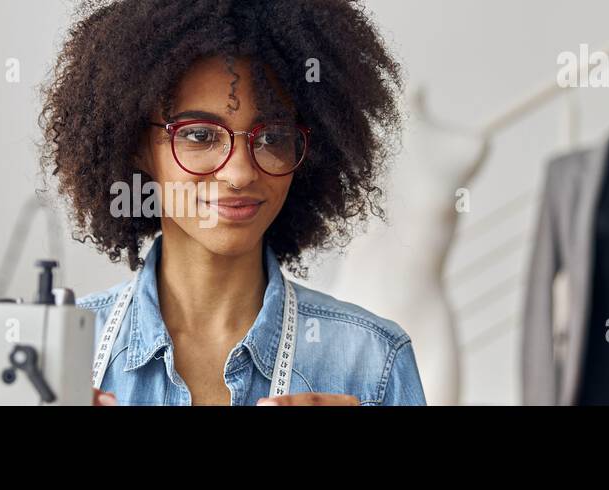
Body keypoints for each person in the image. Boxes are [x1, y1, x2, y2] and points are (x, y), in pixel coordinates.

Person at [41, 0, 425, 406]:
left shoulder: (374, 362)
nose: (240, 174)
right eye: (201, 135)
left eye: (271, 138)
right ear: (137, 146)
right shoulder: (55, 351)